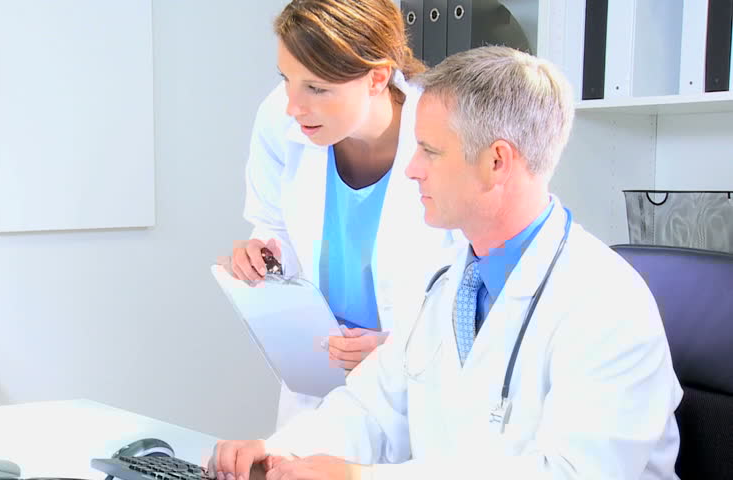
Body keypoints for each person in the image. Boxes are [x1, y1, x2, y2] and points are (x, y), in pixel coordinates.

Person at [209, 46, 683, 480]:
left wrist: (361, 478)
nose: (411, 167)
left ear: (497, 161)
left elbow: (568, 473)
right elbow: (373, 409)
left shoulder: (607, 304)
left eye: (430, 151)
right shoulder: (446, 284)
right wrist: (279, 452)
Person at [225, 0, 459, 429]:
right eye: (287, 79)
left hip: (420, 394)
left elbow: (480, 285)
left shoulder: (449, 134)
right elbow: (274, 225)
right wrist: (263, 256)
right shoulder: (279, 119)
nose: (294, 105)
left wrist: (405, 353)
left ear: (376, 78)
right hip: (319, 386)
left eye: (316, 88)